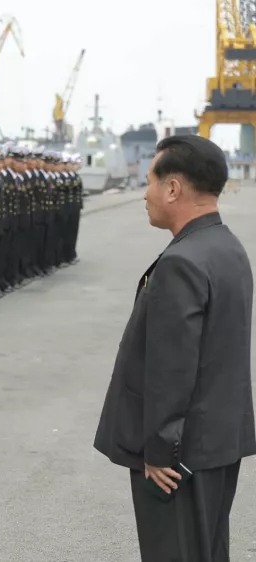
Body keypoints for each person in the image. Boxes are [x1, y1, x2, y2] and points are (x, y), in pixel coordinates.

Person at [94, 135, 255, 562]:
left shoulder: (181, 262)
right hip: (217, 442)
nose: (144, 193)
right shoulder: (228, 247)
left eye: (150, 181)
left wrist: (161, 451)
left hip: (180, 455)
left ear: (172, 188)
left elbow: (172, 367)